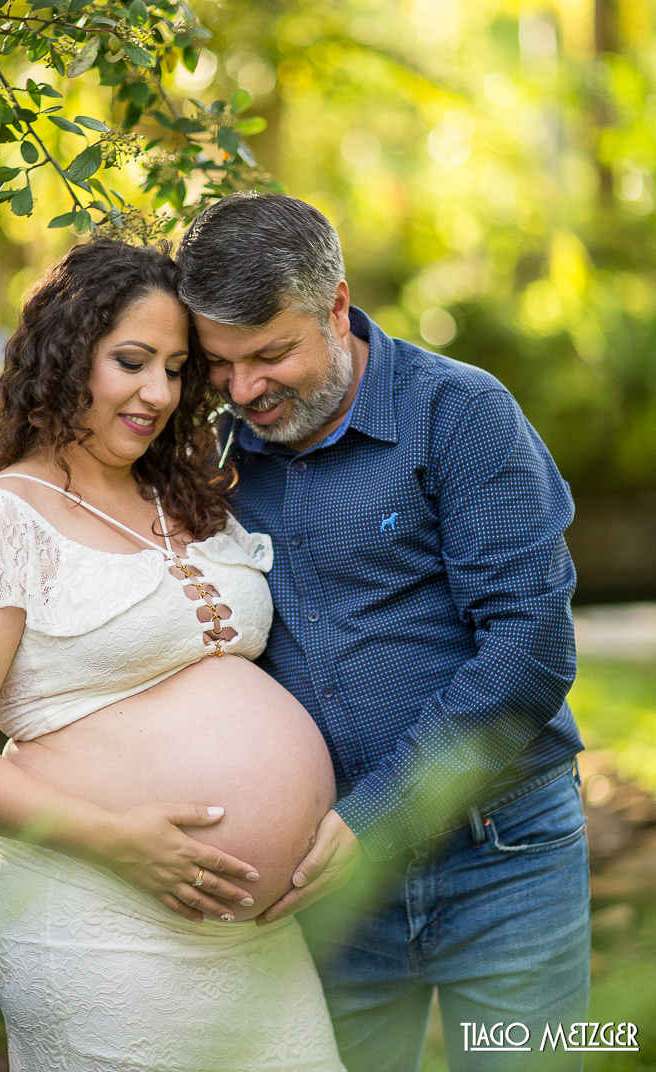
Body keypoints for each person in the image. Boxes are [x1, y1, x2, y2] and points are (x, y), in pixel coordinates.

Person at [0, 239, 347, 1072]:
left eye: (175, 368)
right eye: (130, 362)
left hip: (258, 946)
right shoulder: (4, 522)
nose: (158, 393)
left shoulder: (187, 499)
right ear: (67, 358)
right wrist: (117, 839)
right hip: (98, 922)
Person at [177, 193, 590, 1072]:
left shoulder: (463, 416)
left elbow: (530, 648)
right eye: (220, 364)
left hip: (504, 853)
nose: (245, 389)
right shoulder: (213, 453)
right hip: (323, 888)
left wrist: (377, 817)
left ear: (336, 306)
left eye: (271, 354)